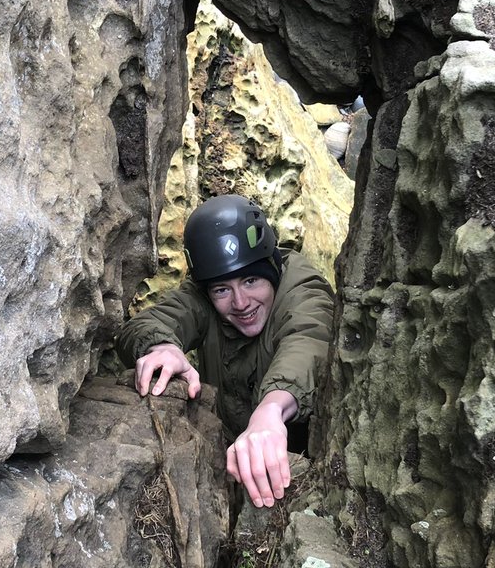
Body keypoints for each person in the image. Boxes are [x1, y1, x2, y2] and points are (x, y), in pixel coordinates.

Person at [116, 194, 334, 508]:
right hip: (227, 457)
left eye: (251, 280)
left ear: (272, 268)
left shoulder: (302, 290)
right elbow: (146, 324)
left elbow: (308, 338)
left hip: (297, 464)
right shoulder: (203, 295)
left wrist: (271, 411)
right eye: (222, 290)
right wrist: (162, 346)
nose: (241, 302)